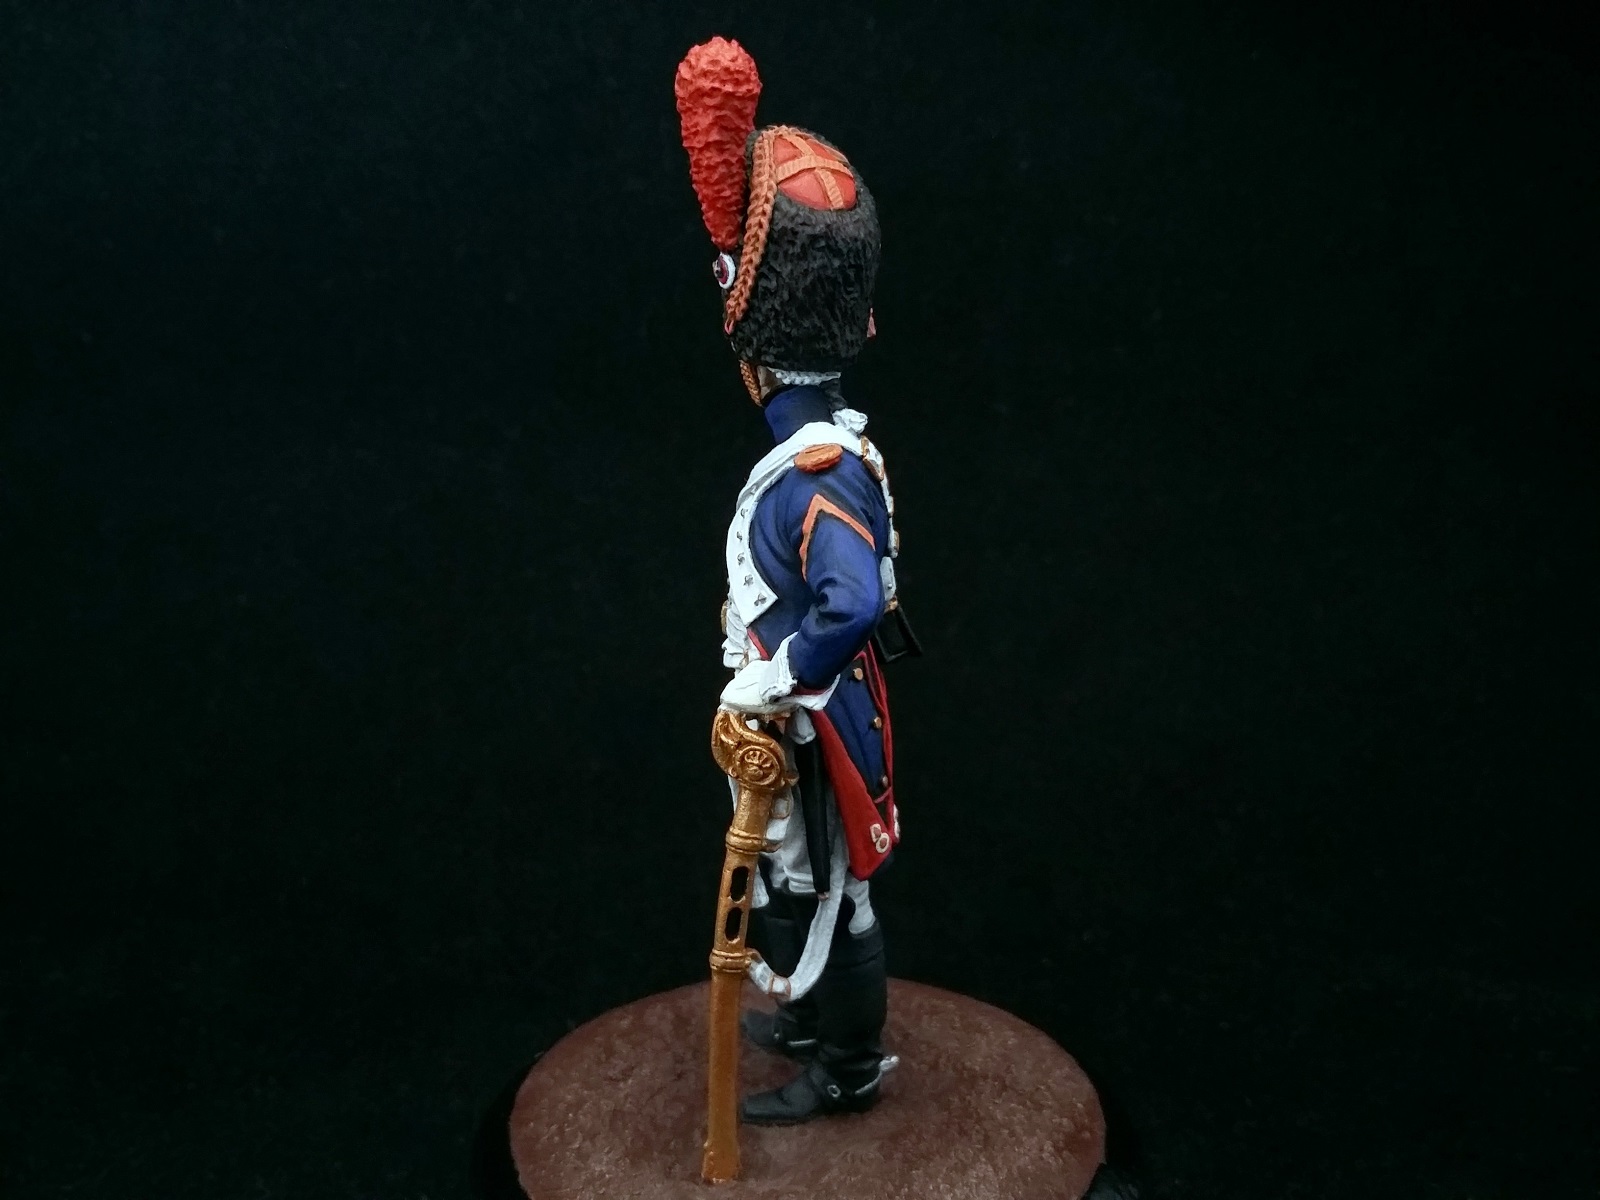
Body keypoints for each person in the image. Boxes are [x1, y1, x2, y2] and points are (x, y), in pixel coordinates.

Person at [676, 37, 918, 1124]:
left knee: (837, 892)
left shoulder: (813, 475)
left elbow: (852, 600)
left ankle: (849, 1068)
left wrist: (779, 680)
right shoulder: (814, 454)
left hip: (818, 721)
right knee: (797, 879)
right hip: (801, 717)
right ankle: (818, 1021)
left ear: (749, 314)